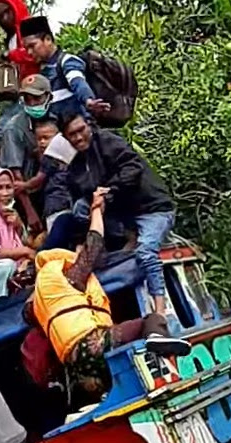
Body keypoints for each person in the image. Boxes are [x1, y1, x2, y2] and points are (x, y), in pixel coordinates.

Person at [26, 189, 190, 398]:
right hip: (90, 344)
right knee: (151, 321)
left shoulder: (42, 295)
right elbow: (93, 245)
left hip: (74, 363)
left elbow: (30, 314)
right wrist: (96, 209)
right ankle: (158, 340)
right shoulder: (68, 277)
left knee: (108, 384)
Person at [62, 114, 175, 317]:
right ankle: (103, 251)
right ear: (66, 138)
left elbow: (133, 168)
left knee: (145, 253)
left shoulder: (107, 141)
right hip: (123, 217)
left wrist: (108, 191)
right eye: (72, 135)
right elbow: (82, 204)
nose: (78, 138)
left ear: (89, 126)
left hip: (152, 209)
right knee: (79, 207)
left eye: (81, 130)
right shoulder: (76, 168)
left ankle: (160, 312)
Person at [20, 16, 110, 119]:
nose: (29, 52)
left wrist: (88, 100)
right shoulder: (41, 71)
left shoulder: (66, 61)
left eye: (32, 46)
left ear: (48, 39)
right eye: (26, 48)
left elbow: (77, 80)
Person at [0, 74, 53, 232]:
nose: (32, 104)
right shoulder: (14, 128)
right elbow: (16, 174)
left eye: (37, 99)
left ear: (49, 97)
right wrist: (30, 211)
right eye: (28, 99)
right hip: (31, 194)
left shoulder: (59, 117)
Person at [14, 118, 76, 248]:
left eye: (46, 138)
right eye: (39, 139)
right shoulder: (66, 155)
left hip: (57, 204)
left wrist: (23, 185)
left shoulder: (51, 155)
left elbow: (38, 179)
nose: (42, 142)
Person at [0, 0, 39, 81]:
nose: (5, 18)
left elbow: (36, 53)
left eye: (7, 12)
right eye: (1, 17)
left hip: (38, 82)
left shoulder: (30, 26)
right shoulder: (10, 38)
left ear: (15, 7)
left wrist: (10, 55)